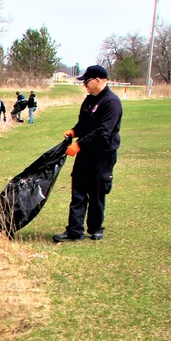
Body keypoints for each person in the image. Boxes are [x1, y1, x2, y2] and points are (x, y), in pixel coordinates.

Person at [53, 65, 122, 243]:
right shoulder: (89, 100)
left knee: (97, 192)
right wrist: (74, 132)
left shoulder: (111, 102)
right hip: (85, 154)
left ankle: (96, 228)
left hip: (102, 155)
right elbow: (83, 124)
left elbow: (103, 131)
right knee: (78, 192)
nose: (84, 85)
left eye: (87, 81)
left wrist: (79, 145)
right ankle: (75, 231)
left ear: (98, 80)